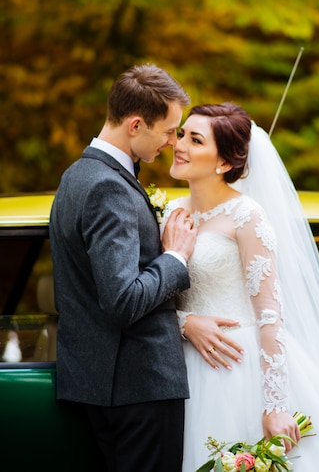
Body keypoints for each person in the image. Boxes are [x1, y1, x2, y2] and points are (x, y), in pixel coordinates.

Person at [163, 102, 319, 472]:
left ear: (223, 163)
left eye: (195, 140)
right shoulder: (169, 212)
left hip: (239, 366)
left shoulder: (247, 216)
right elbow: (156, 293)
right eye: (182, 134)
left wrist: (275, 405)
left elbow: (269, 313)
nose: (179, 144)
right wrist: (184, 322)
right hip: (182, 365)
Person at [49, 64, 197, 472]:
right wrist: (175, 257)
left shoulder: (76, 175)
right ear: (135, 125)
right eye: (168, 131)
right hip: (139, 386)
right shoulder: (109, 187)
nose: (172, 142)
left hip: (106, 385)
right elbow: (121, 299)